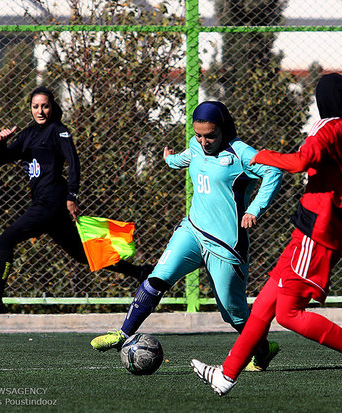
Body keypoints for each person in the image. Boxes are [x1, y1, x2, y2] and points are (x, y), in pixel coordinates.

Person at [190, 73, 342, 395]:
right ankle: (226, 375)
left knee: (288, 313)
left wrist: (258, 156)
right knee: (265, 305)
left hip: (317, 231)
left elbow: (300, 162)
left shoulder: (329, 129)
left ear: (324, 102)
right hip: (322, 229)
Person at [91, 101, 283, 371]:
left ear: (224, 129)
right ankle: (123, 333)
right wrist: (169, 159)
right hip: (192, 230)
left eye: (210, 135)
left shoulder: (241, 153)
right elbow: (183, 159)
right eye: (199, 134)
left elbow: (273, 171)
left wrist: (254, 209)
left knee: (233, 313)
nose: (204, 141)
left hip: (226, 245)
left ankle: (264, 349)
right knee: (158, 277)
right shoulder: (195, 146)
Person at [0, 86, 151, 318]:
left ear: (52, 107)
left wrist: (72, 196)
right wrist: (2, 141)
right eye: (35, 106)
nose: (40, 110)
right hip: (47, 208)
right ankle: (140, 272)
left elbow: (74, 163)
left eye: (45, 105)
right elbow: (3, 158)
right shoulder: (27, 134)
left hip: (51, 203)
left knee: (5, 241)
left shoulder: (58, 130)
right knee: (83, 255)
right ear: (30, 109)